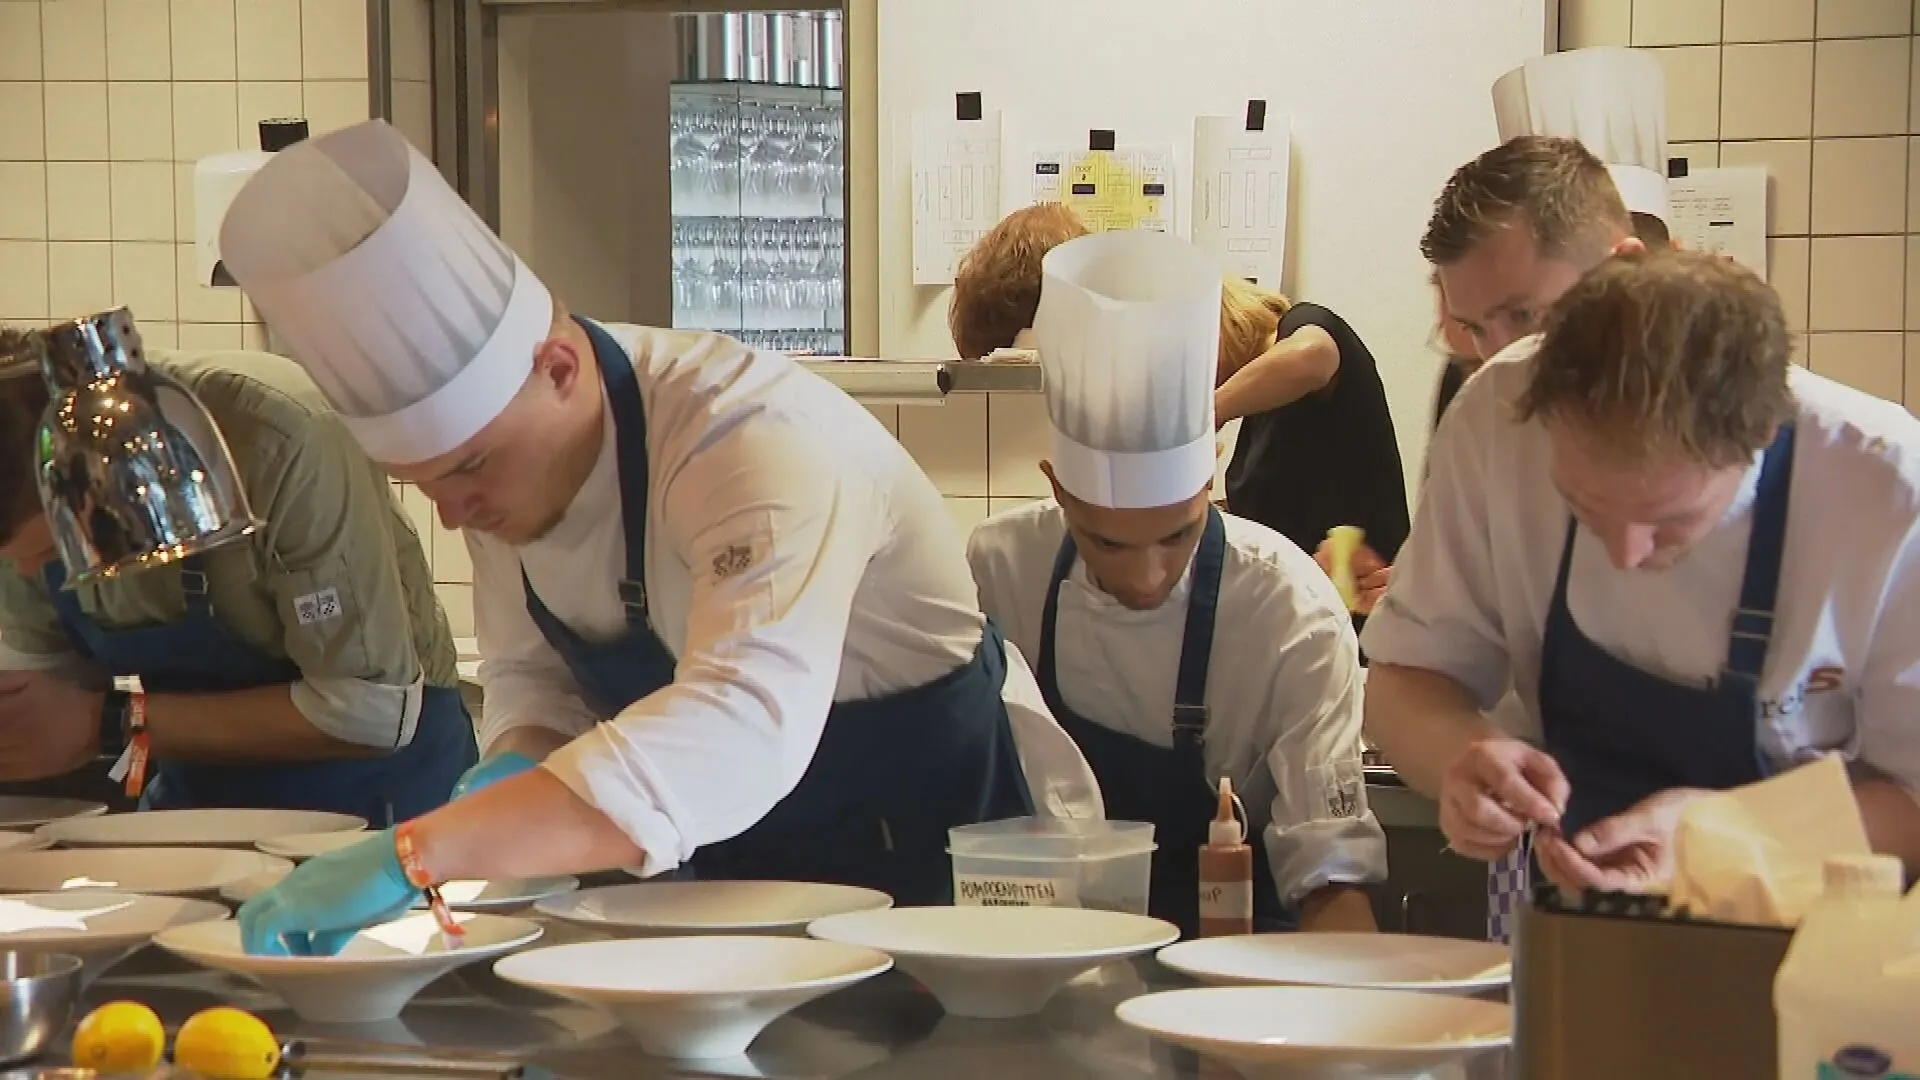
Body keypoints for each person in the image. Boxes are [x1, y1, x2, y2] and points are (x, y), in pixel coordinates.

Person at [215, 120, 1099, 956]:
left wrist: (418, 853)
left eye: (469, 470)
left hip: (934, 876)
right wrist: (508, 775)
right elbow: (538, 678)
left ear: (557, 369)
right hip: (736, 888)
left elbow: (737, 724)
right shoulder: (508, 471)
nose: (454, 514)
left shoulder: (754, 440)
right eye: (426, 485)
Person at [1365, 244, 1920, 902]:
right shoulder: (1498, 420)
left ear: (1761, 436)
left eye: (1669, 522)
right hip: (1560, 921)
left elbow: (1912, 804)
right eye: (1586, 508)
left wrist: (1715, 834)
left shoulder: (1885, 488)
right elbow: (1403, 683)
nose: (1626, 556)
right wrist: (1459, 756)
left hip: (1806, 945)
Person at [967, 229, 1384, 937]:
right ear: (1056, 489)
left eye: (1178, 534)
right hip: (1051, 961)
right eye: (1106, 542)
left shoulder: (1288, 611)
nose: (1147, 575)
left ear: (1212, 472)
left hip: (1238, 975)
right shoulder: (999, 571)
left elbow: (1329, 867)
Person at [0, 326, 477, 822]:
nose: (28, 571)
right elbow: (44, 690)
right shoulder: (15, 495)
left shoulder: (279, 433)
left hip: (381, 805)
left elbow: (368, 712)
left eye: (54, 550)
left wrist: (113, 721)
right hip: (197, 808)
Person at [948, 206, 1410, 640]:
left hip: (1366, 634)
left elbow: (1312, 357)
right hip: (1312, 618)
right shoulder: (1256, 440)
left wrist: (1196, 418)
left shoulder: (1304, 334)